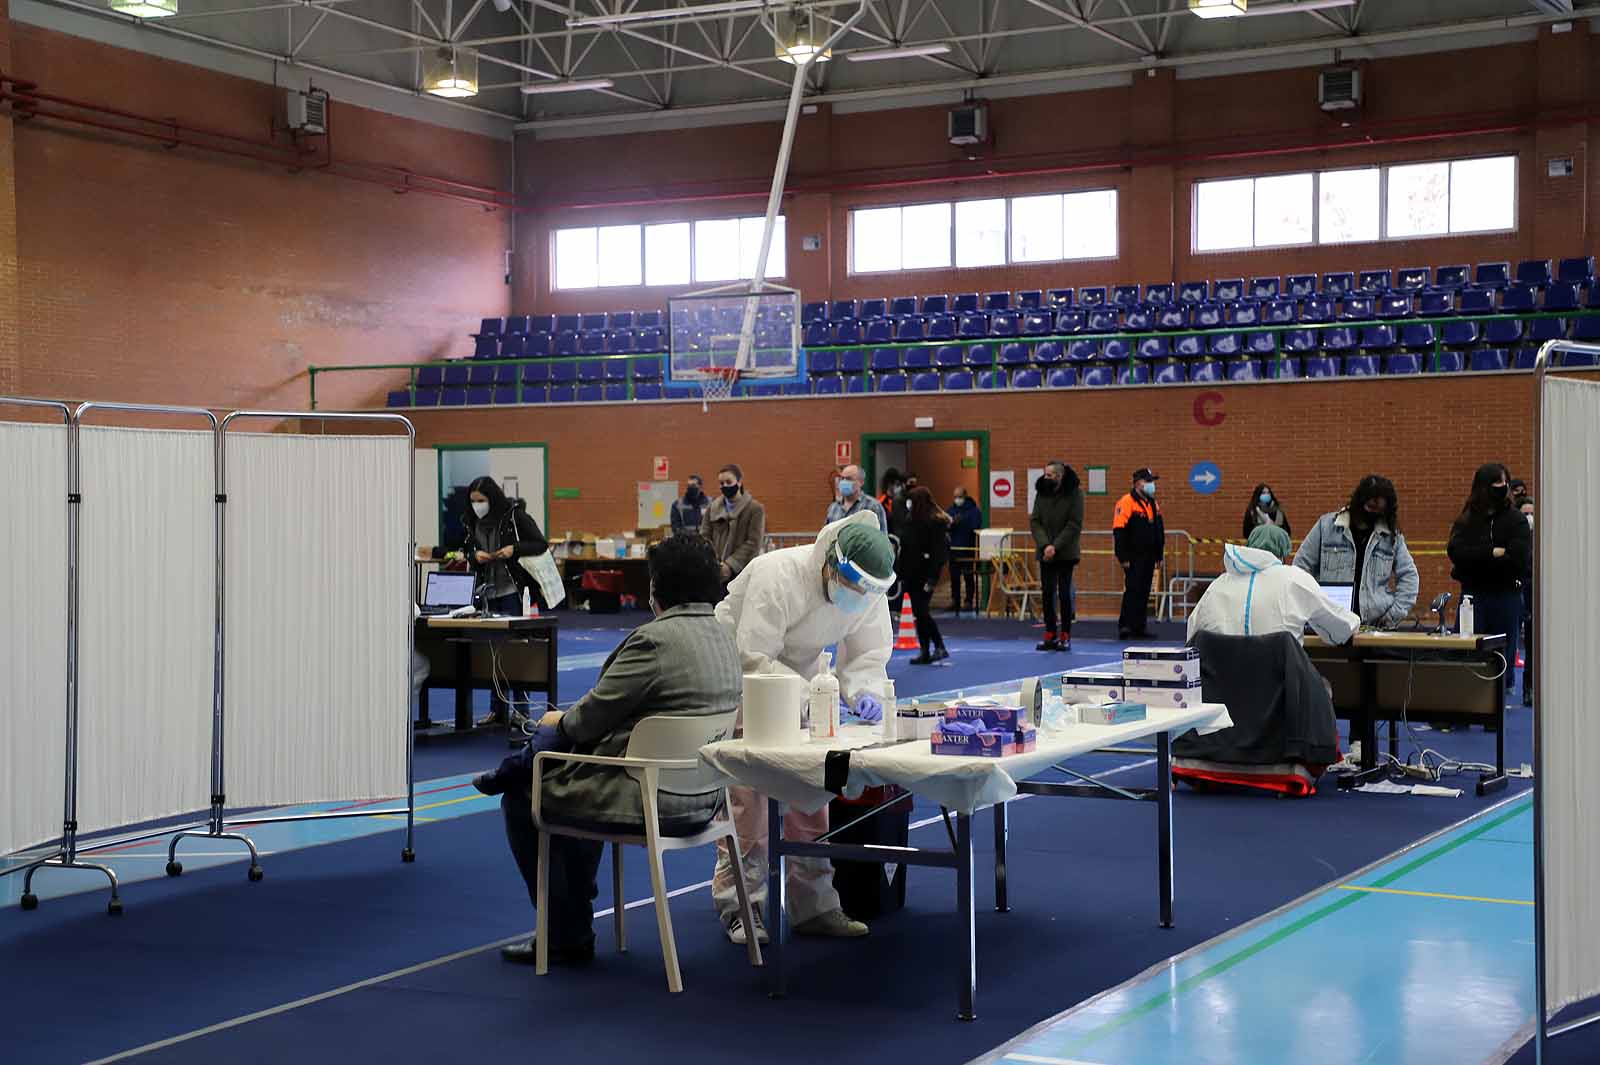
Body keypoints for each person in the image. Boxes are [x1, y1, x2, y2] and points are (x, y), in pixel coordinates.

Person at [472, 534, 740, 966]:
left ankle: (565, 931)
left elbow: (586, 720)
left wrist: (556, 720)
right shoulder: (725, 638)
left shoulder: (653, 641)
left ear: (658, 587)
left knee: (530, 793)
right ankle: (572, 910)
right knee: (566, 769)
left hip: (650, 798)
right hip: (707, 799)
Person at [710, 512, 895, 945]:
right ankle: (742, 906)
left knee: (812, 790)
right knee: (748, 799)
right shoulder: (779, 574)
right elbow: (752, 654)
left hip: (805, 678)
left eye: (862, 592)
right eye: (848, 586)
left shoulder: (868, 588)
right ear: (830, 564)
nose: (855, 597)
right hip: (742, 677)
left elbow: (867, 655)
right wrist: (813, 695)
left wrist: (861, 690)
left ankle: (814, 905)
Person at [417, 475, 549, 725]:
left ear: (493, 498)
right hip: (485, 591)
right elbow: (459, 549)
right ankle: (496, 709)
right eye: (473, 500)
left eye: (481, 500)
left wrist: (513, 549)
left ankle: (520, 711)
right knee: (489, 651)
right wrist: (473, 554)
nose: (477, 505)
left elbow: (539, 544)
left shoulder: (514, 516)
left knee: (515, 650)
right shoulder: (470, 521)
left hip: (512, 590)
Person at [1188, 525, 1359, 645]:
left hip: (1220, 692)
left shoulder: (1218, 585)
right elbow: (1341, 629)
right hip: (1280, 691)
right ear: (1283, 555)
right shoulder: (1295, 579)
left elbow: (1192, 637)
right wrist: (1357, 622)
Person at [1447, 463, 1532, 708]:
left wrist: (1478, 558)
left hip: (1506, 595)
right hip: (1472, 596)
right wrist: (1492, 552)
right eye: (1495, 483)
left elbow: (1517, 559)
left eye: (1504, 483)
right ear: (1483, 488)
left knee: (1501, 654)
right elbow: (1455, 552)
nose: (1501, 488)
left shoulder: (1516, 520)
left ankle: (1495, 706)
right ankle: (1463, 703)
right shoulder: (1467, 518)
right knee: (1467, 649)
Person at [1293, 474, 1419, 629]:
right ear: (1359, 501)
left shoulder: (1391, 537)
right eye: (1370, 507)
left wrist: (1393, 615)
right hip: (1329, 624)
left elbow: (1409, 577)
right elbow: (1300, 568)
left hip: (1374, 627)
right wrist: (1312, 609)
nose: (1373, 514)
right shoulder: (1326, 526)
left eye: (1380, 510)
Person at [1030, 462, 1085, 651]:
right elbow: (1035, 521)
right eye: (1044, 474)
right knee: (1047, 593)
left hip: (1066, 552)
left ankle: (1065, 635)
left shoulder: (1075, 495)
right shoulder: (1041, 493)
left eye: (1049, 475)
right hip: (1045, 552)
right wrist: (1045, 545)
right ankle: (1050, 633)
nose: (1045, 478)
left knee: (1064, 593)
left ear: (1060, 476)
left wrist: (1056, 546)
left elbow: (1074, 524)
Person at [898, 487, 950, 664]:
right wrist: (900, 572)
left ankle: (939, 645)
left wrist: (933, 577)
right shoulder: (911, 520)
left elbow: (938, 553)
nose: (909, 504)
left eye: (911, 500)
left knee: (921, 611)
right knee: (919, 613)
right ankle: (925, 649)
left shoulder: (934, 522)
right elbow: (905, 549)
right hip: (911, 574)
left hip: (925, 574)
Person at [1113, 467, 1165, 641]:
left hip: (1149, 555)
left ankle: (1139, 626)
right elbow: (1119, 531)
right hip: (1133, 555)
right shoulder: (1126, 502)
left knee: (1144, 591)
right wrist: (1123, 557)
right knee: (1132, 590)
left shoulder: (1152, 503)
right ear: (1138, 483)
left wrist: (1159, 554)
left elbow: (1159, 530)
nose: (1151, 485)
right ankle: (1125, 625)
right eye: (1148, 481)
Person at [703, 464, 766, 592]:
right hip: (715, 573)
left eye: (728, 482)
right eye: (721, 483)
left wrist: (730, 565)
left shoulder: (755, 509)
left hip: (742, 573)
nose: (725, 486)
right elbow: (704, 536)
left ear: (739, 482)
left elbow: (754, 542)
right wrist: (713, 563)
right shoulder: (712, 508)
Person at [946, 486, 983, 614]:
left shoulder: (973, 510)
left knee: (968, 576)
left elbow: (976, 526)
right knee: (954, 577)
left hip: (968, 547)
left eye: (959, 497)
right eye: (955, 497)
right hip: (954, 549)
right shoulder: (951, 510)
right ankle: (955, 600)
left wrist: (962, 522)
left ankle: (968, 601)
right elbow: (946, 525)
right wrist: (950, 523)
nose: (957, 499)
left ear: (965, 496)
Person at [826, 463, 888, 532]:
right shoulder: (834, 507)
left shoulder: (873, 506)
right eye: (842, 478)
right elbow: (826, 536)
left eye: (848, 479)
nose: (844, 482)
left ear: (861, 482)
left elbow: (882, 538)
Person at [1518, 495, 1535, 706]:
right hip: (1518, 592)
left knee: (1532, 645)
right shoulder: (1517, 537)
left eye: (1532, 514)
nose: (1529, 517)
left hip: (1533, 595)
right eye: (1525, 514)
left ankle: (1530, 688)